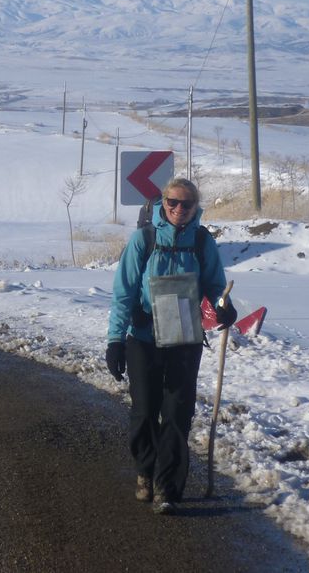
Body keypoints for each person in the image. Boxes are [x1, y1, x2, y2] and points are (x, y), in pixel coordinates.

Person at [106, 177, 236, 515]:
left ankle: (169, 488)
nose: (179, 209)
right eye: (172, 202)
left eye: (186, 204)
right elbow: (123, 293)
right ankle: (145, 472)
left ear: (196, 208)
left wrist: (223, 306)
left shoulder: (202, 241)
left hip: (184, 338)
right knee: (145, 411)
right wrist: (116, 340)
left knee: (178, 413)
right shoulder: (144, 239)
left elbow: (215, 285)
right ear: (162, 203)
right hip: (144, 338)